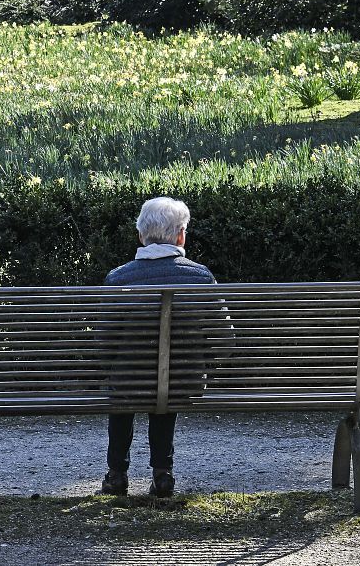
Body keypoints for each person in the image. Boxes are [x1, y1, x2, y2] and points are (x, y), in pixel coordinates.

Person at [101, 196, 216, 499]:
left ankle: (116, 474)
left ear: (141, 235)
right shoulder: (201, 277)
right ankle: (162, 474)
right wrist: (203, 361)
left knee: (123, 385)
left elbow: (102, 343)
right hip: (182, 381)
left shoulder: (118, 278)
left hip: (129, 383)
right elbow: (225, 339)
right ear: (181, 235)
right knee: (168, 384)